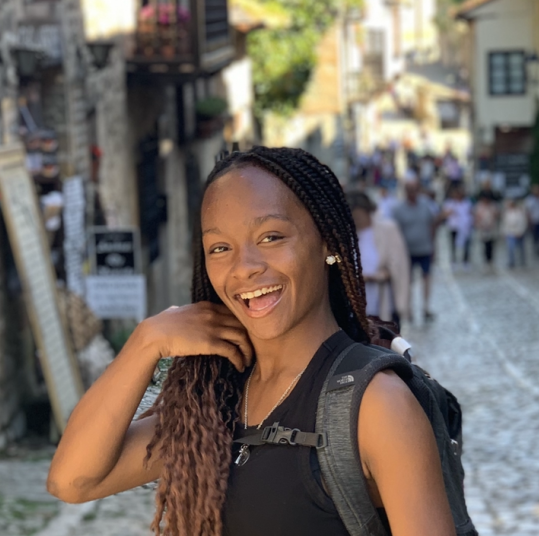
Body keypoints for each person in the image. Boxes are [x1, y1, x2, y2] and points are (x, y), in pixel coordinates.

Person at [46, 147, 456, 536]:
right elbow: (73, 480)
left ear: (327, 240)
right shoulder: (216, 397)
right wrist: (145, 341)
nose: (244, 268)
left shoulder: (376, 404)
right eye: (220, 247)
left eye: (271, 237)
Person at [346, 191, 411, 330]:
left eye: (358, 215)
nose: (356, 220)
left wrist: (378, 276)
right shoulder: (347, 236)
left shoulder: (388, 230)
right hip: (356, 305)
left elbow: (399, 265)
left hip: (383, 301)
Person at [392, 179, 438, 322]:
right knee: (408, 281)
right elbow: (395, 232)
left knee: (426, 278)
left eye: (415, 190)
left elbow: (432, 225)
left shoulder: (425, 205)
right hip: (407, 252)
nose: (412, 193)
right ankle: (409, 309)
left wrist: (433, 245)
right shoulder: (398, 209)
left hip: (424, 248)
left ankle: (426, 307)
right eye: (409, 190)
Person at [441, 185, 473, 270]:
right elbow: (444, 214)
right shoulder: (449, 203)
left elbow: (470, 213)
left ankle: (465, 261)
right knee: (452, 245)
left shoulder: (466, 203)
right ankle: (453, 261)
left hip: (464, 227)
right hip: (453, 227)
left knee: (466, 245)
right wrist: (450, 212)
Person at [473, 192, 501, 271]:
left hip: (492, 228)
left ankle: (491, 260)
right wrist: (481, 224)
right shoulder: (479, 206)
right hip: (482, 228)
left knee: (491, 245)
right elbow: (477, 216)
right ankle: (486, 261)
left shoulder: (493, 205)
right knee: (485, 245)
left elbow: (497, 215)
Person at [502, 197, 529, 269]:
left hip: (519, 232)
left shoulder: (519, 212)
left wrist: (521, 231)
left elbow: (523, 222)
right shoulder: (507, 213)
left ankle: (522, 261)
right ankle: (511, 262)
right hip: (510, 232)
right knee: (510, 249)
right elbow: (505, 223)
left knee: (521, 249)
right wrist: (504, 232)